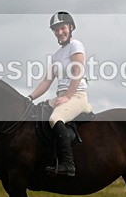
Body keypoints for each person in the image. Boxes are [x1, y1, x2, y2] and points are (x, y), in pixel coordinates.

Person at [27, 12, 91, 177]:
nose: (59, 32)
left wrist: (68, 96)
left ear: (70, 28)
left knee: (55, 119)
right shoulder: (56, 55)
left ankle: (68, 164)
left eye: (62, 28)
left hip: (76, 95)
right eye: (56, 30)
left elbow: (78, 72)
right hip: (61, 95)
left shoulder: (76, 45)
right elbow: (46, 82)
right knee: (37, 112)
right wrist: (29, 98)